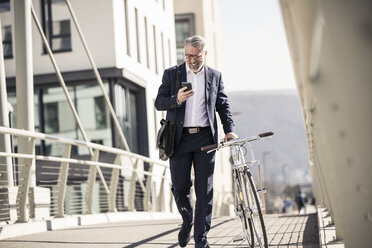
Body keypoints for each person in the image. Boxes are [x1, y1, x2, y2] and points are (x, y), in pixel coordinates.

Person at [155, 35, 237, 248]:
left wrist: (229, 131)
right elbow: (159, 102)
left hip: (205, 139)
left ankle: (201, 239)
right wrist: (176, 100)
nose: (192, 59)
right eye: (188, 55)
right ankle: (187, 221)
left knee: (205, 191)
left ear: (205, 54)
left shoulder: (215, 76)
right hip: (179, 140)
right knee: (180, 188)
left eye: (196, 55)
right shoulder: (172, 74)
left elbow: (223, 105)